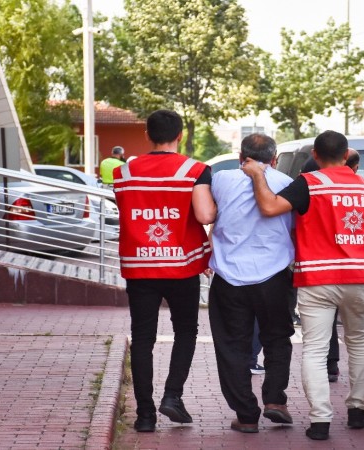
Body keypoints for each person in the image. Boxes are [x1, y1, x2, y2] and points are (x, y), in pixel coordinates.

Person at [241, 131, 364, 441]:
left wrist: (258, 176)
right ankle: (357, 410)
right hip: (360, 277)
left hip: (318, 279)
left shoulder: (309, 183)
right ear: (346, 157)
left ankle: (320, 421)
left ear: (315, 155)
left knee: (315, 349)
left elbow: (270, 207)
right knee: (359, 342)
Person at [112, 110, 216, 433]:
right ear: (180, 135)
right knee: (186, 331)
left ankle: (144, 416)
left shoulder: (123, 172)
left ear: (147, 135)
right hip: (181, 266)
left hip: (139, 266)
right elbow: (204, 214)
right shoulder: (194, 170)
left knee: (142, 338)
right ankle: (172, 396)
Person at [208, 133, 296, 434]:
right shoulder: (287, 183)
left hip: (229, 276)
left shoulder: (220, 180)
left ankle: (246, 415)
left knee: (232, 346)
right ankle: (274, 400)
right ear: (274, 158)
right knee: (277, 338)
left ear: (239, 155)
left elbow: (209, 214)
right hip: (273, 276)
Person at [300, 147, 360, 383]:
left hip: (318, 270)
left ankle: (320, 415)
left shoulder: (307, 184)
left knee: (316, 339)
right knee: (360, 340)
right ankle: (357, 405)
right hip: (355, 271)